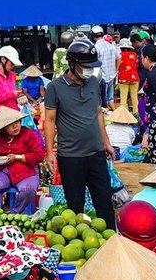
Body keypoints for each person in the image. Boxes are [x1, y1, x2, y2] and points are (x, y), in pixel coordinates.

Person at [44, 38, 117, 224]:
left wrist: (106, 143)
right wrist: (49, 152)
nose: (90, 69)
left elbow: (98, 113)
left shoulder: (94, 82)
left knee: (104, 203)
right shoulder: (54, 88)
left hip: (96, 153)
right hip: (71, 157)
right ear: (72, 63)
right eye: (86, 65)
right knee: (75, 206)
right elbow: (50, 121)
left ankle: (111, 243)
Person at [0, 106, 46, 212]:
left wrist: (18, 157)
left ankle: (15, 213)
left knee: (29, 189)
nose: (15, 126)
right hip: (2, 172)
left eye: (17, 122)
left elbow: (39, 155)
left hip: (26, 172)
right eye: (10, 125)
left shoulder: (28, 134)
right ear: (3, 128)